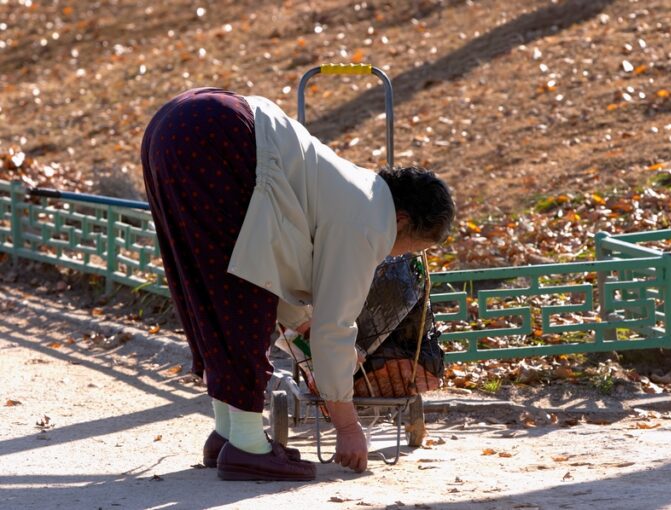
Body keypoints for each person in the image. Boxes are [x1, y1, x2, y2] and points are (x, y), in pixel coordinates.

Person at [140, 87, 455, 481]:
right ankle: (249, 447)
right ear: (404, 219)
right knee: (243, 299)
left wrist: (303, 325)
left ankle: (230, 433)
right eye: (409, 248)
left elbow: (281, 261)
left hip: (176, 123)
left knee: (213, 289)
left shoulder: (353, 189)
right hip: (220, 133)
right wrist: (348, 427)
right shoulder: (370, 221)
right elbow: (334, 327)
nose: (397, 255)